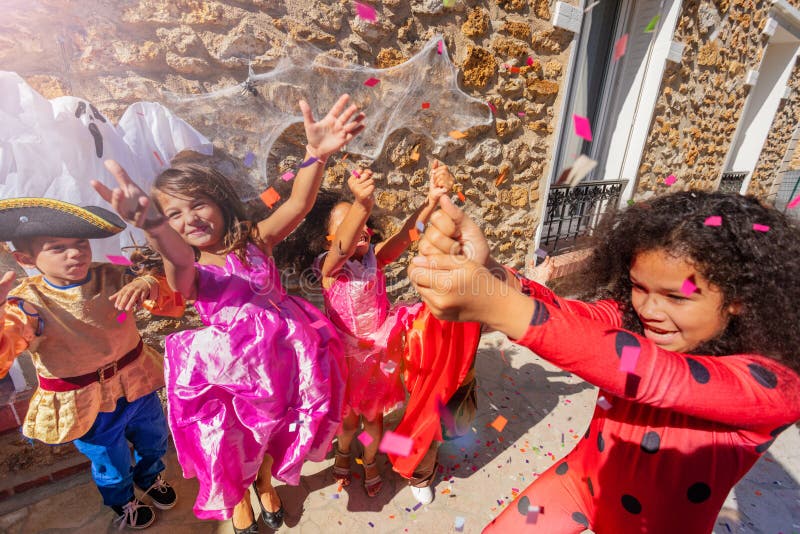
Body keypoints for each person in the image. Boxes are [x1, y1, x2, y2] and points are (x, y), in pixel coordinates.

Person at [408, 191, 800, 533]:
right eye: (638, 287)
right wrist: (488, 271)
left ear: (738, 297)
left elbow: (650, 373)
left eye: (676, 297)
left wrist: (499, 307)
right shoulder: (633, 320)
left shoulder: (773, 386)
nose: (649, 309)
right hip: (577, 483)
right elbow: (571, 317)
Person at [92, 94, 364, 533]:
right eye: (174, 213)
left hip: (282, 354)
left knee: (274, 427)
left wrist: (316, 155)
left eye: (198, 204)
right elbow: (178, 267)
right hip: (230, 370)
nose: (190, 218)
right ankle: (239, 496)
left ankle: (267, 482)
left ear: (219, 201)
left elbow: (297, 205)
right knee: (234, 439)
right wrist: (156, 228)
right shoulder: (190, 267)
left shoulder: (255, 239)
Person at [286, 161, 481, 505]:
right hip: (345, 361)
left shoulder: (376, 257)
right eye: (348, 225)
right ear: (330, 237)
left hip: (376, 360)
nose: (359, 228)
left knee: (373, 423)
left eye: (364, 224)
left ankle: (369, 458)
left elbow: (409, 234)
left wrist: (431, 201)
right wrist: (361, 205)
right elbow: (341, 251)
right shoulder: (330, 269)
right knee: (347, 424)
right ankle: (344, 454)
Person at [0, 198, 179, 530]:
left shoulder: (112, 272)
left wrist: (150, 281)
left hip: (136, 383)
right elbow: (9, 342)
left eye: (80, 244)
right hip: (86, 402)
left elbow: (169, 291)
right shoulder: (26, 303)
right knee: (110, 461)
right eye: (57, 248)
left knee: (154, 438)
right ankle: (122, 499)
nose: (75, 253)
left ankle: (152, 477)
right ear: (26, 259)